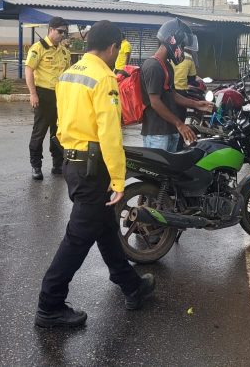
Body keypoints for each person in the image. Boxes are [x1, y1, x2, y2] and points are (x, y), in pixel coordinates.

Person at [35, 20, 154, 329]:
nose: (118, 55)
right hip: (93, 167)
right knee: (78, 238)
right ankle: (49, 305)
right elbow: (110, 134)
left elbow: (62, 121)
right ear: (112, 47)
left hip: (73, 163)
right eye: (119, 50)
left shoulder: (69, 73)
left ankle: (131, 286)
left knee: (104, 226)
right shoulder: (104, 78)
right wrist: (118, 179)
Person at [140, 19, 214, 152]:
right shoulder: (153, 66)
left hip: (169, 130)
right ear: (172, 41)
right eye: (183, 45)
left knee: (170, 172)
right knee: (161, 172)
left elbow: (172, 94)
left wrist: (196, 104)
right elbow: (155, 102)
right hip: (157, 134)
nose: (183, 49)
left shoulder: (167, 65)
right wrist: (180, 124)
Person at [25, 17, 70, 180]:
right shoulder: (38, 48)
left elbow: (67, 73)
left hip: (61, 96)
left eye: (64, 32)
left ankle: (57, 164)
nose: (62, 35)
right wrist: (33, 93)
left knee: (58, 132)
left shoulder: (64, 51)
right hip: (43, 95)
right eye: (60, 32)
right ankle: (36, 166)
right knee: (39, 132)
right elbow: (29, 70)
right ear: (50, 29)